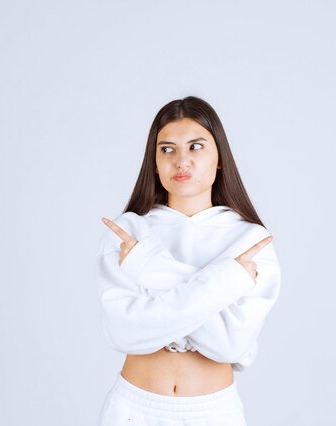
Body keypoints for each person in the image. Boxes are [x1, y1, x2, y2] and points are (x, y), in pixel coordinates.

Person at [95, 96, 282, 425]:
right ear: (154, 163)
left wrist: (150, 268)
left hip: (212, 413)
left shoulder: (251, 240)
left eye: (196, 147)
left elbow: (230, 344)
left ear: (219, 158)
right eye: (167, 149)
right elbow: (124, 333)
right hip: (133, 410)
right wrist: (227, 281)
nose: (181, 161)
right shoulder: (128, 231)